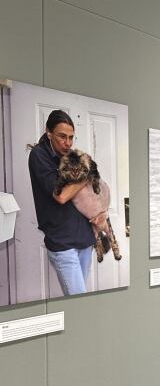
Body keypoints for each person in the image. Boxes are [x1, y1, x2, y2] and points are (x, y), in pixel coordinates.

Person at [28, 110, 96, 295]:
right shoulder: (38, 155)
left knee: (81, 301)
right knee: (78, 301)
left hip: (84, 238)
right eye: (62, 137)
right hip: (62, 243)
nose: (68, 143)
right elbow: (61, 195)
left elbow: (93, 185)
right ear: (49, 133)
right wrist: (85, 177)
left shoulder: (71, 156)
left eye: (71, 137)